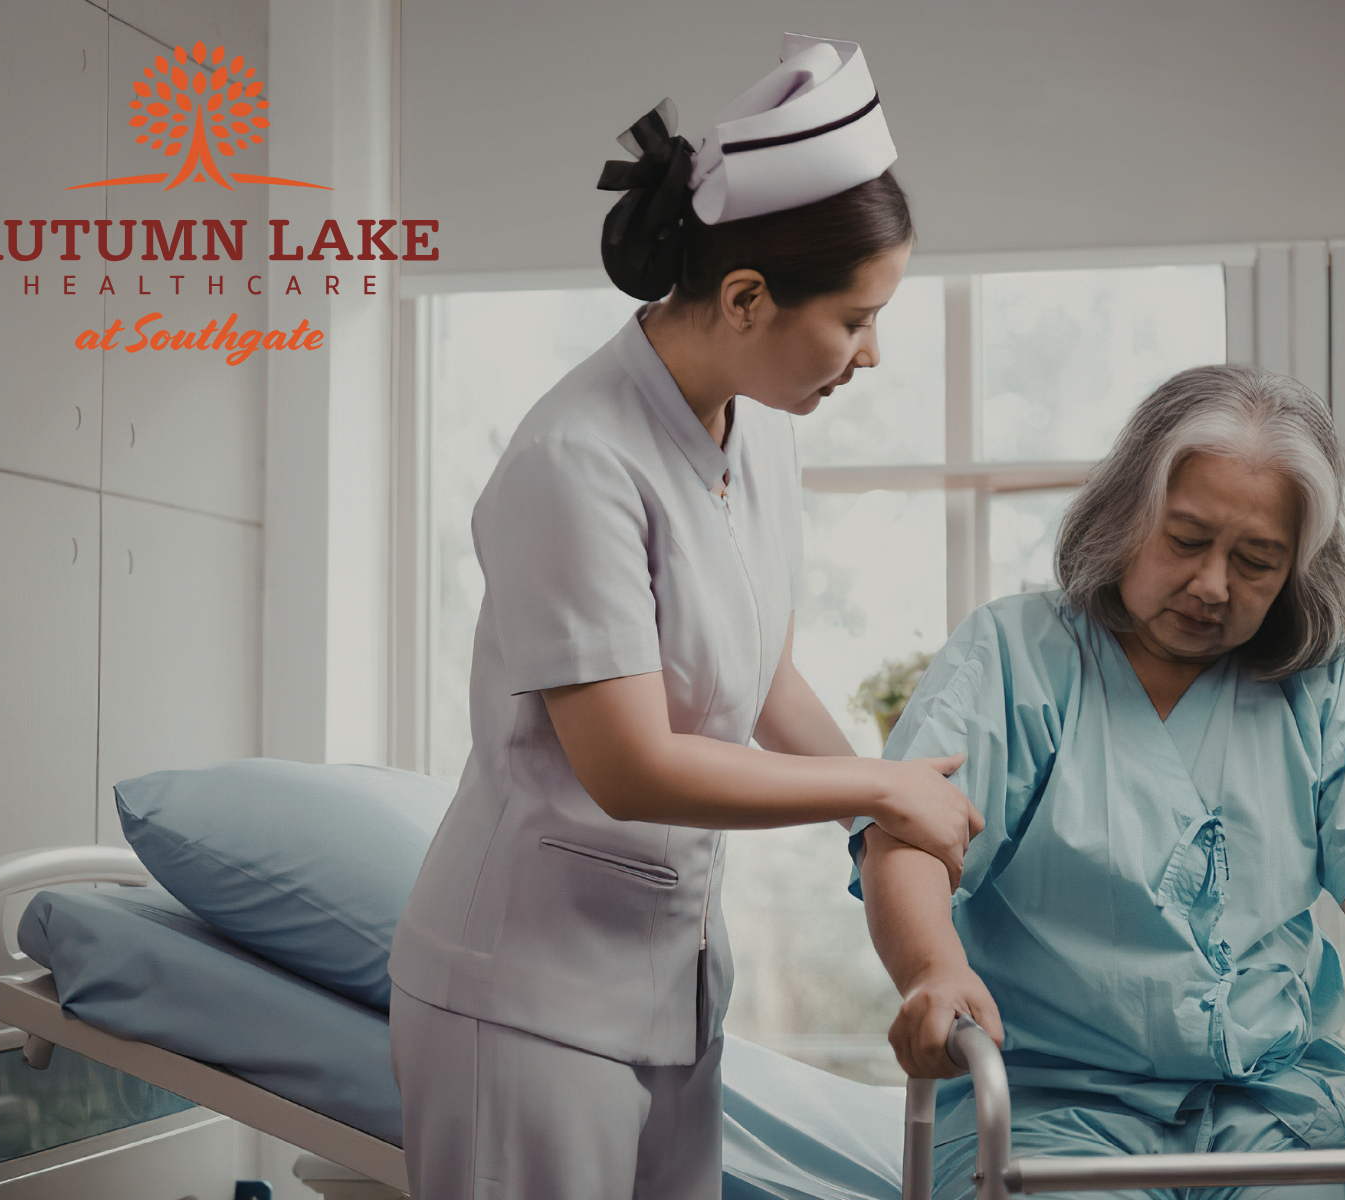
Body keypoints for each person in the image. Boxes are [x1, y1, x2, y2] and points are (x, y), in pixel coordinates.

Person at [387, 34, 982, 1200]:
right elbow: (633, 765)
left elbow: (761, 683)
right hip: (526, 999)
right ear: (749, 298)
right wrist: (874, 793)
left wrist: (895, 813)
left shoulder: (758, 426)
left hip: (672, 984)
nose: (874, 353)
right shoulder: (575, 460)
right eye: (857, 319)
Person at [850, 364, 1345, 1200]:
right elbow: (910, 836)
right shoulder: (1014, 658)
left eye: (1257, 561)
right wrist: (932, 969)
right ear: (1124, 516)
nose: (1212, 586)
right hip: (1053, 1106)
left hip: (1279, 1108)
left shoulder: (1321, 684)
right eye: (1186, 540)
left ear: (1298, 569)